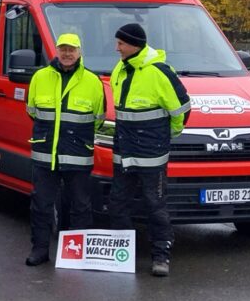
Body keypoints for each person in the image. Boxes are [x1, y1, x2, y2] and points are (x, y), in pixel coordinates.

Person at [109, 23, 190, 277]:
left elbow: (182, 108)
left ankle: (161, 255)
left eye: (121, 43)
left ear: (134, 44)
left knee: (155, 205)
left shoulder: (159, 72)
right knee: (118, 204)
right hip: (124, 151)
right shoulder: (121, 69)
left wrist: (168, 135)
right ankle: (123, 255)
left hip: (151, 153)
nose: (117, 48)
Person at [25, 33, 105, 266]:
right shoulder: (40, 77)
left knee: (80, 206)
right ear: (56, 51)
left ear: (80, 52)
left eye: (72, 49)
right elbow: (31, 110)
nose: (67, 54)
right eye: (63, 49)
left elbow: (98, 117)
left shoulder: (92, 81)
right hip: (45, 154)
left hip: (78, 155)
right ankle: (39, 250)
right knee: (41, 204)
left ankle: (76, 254)